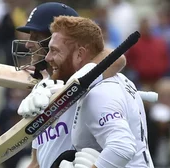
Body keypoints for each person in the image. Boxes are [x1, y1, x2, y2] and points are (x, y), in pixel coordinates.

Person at [12, 2, 125, 168]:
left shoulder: (88, 83)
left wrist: (72, 86)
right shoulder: (41, 91)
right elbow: (36, 162)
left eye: (35, 37)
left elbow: (117, 58)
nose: (28, 44)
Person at [43, 16, 153, 167]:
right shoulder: (115, 80)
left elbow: (122, 147)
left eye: (54, 51)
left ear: (80, 54)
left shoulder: (99, 92)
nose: (47, 57)